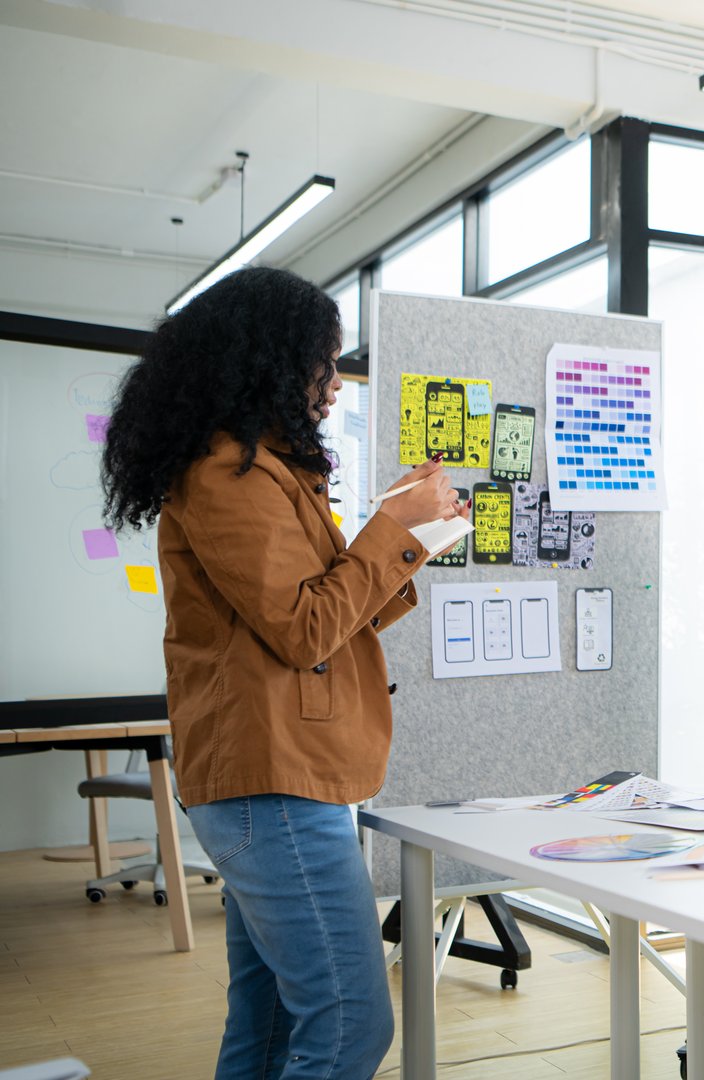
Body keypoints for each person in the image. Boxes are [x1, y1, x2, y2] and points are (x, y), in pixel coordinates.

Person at [101, 266, 462, 1079]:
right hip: (272, 787)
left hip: (278, 779)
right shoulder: (228, 474)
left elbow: (327, 617)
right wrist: (391, 530)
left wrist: (410, 536)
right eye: (323, 364)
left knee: (268, 1028)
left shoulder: (262, 470)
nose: (334, 385)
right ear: (268, 361)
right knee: (351, 1025)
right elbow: (306, 631)